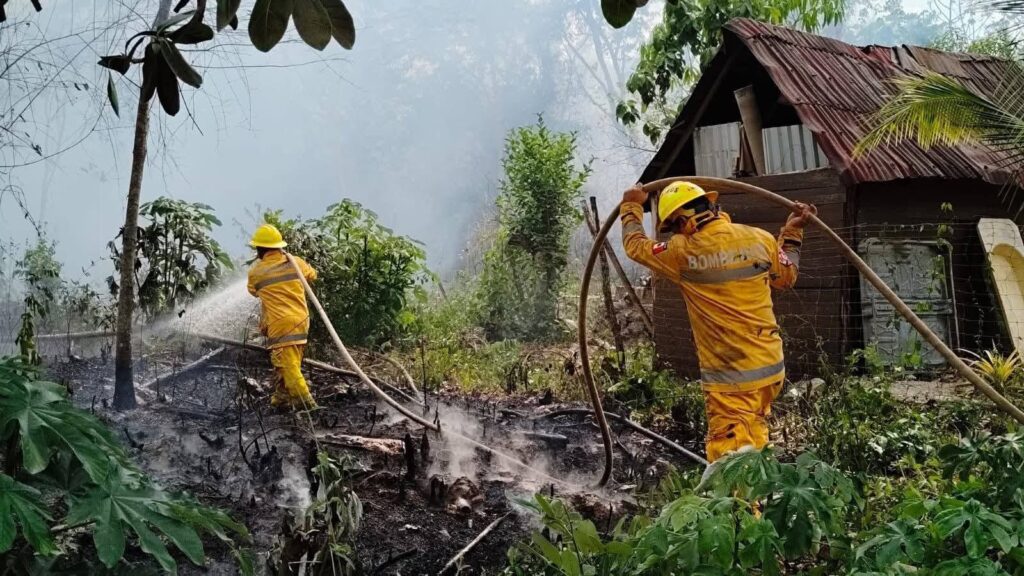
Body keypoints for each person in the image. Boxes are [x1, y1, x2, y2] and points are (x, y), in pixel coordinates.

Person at [619, 182, 816, 463]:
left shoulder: (682, 252)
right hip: (770, 370)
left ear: (684, 221)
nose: (676, 233)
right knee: (754, 439)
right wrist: (793, 231)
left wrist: (631, 206)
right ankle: (760, 488)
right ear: (710, 207)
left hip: (731, 379)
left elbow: (635, 246)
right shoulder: (761, 239)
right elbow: (787, 276)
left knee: (730, 459)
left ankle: (741, 494)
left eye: (674, 227)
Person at [246, 224, 318, 409]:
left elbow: (253, 290)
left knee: (288, 366)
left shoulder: (256, 272)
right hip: (301, 321)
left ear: (259, 249)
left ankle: (308, 405)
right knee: (288, 363)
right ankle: (281, 399)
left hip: (281, 325)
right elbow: (312, 275)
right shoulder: (296, 263)